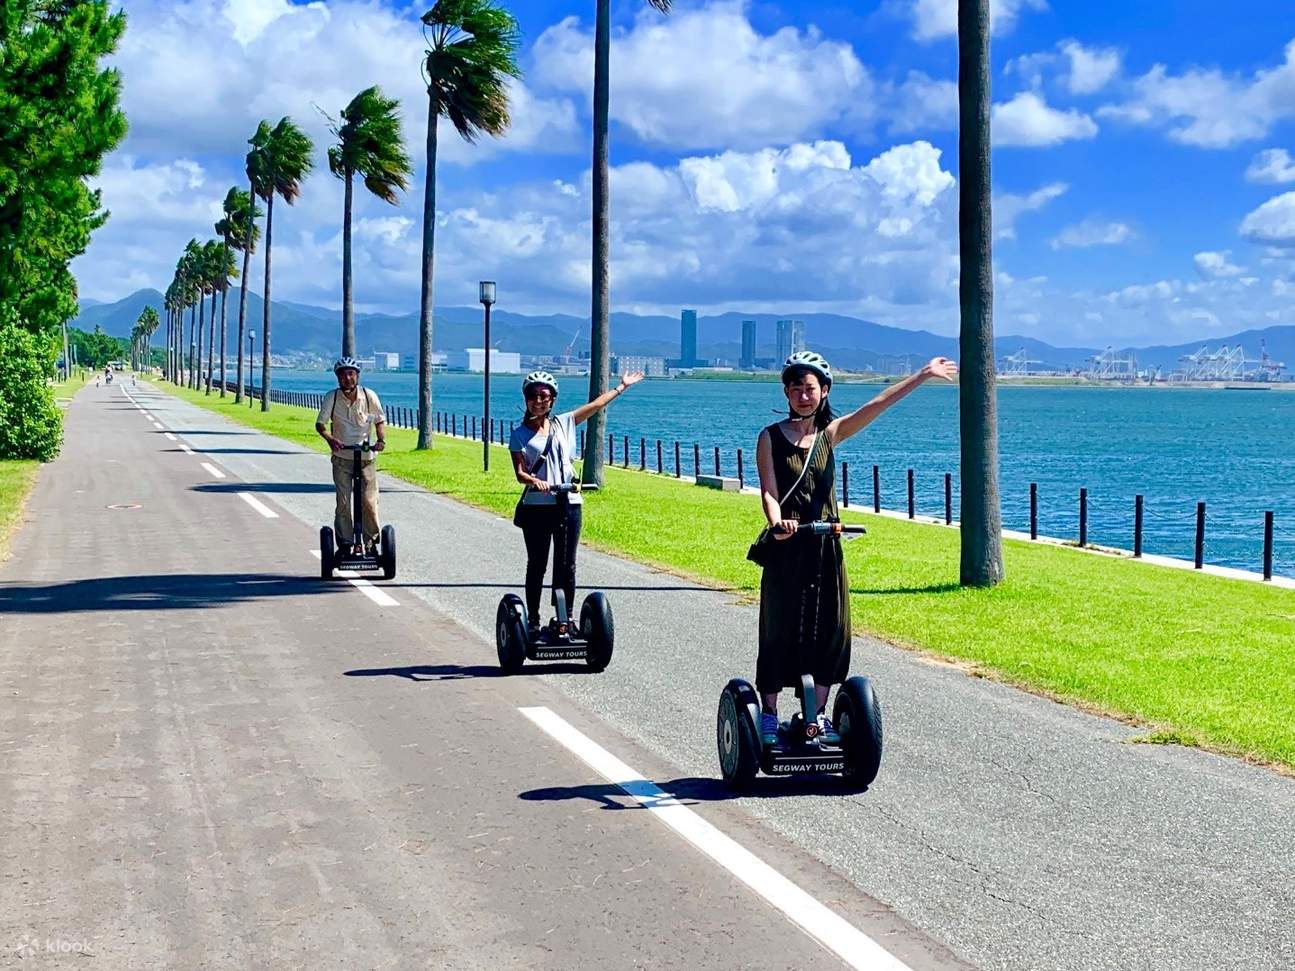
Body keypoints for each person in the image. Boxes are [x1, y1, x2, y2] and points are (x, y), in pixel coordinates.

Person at [754, 350, 958, 745]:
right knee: (778, 628)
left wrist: (922, 375)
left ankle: (818, 715)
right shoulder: (770, 437)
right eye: (795, 388)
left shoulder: (831, 435)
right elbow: (769, 490)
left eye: (810, 388)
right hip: (786, 546)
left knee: (832, 629)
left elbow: (877, 405)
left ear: (824, 391)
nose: (803, 396)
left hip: (826, 547)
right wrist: (777, 522)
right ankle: (769, 713)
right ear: (786, 393)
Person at [509, 368, 643, 636]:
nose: (538, 401)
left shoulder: (564, 423)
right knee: (537, 564)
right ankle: (532, 620)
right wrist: (535, 482)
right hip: (537, 507)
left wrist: (622, 387)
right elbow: (520, 472)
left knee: (567, 565)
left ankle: (565, 618)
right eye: (533, 395)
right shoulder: (519, 434)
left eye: (544, 396)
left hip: (569, 504)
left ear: (552, 400)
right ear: (526, 399)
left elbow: (596, 406)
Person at [315, 357, 387, 556]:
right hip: (342, 457)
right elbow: (320, 424)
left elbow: (379, 421)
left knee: (369, 501)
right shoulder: (332, 397)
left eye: (351, 374)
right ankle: (345, 543)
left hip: (366, 458)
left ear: (357, 376)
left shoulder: (369, 396)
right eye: (343, 375)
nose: (347, 378)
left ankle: (370, 543)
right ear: (338, 377)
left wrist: (381, 440)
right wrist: (330, 439)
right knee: (344, 503)